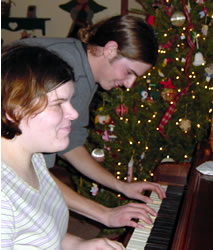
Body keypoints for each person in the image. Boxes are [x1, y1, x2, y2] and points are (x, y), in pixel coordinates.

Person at [17, 15, 166, 229]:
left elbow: (71, 143)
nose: (129, 84)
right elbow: (34, 177)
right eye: (129, 72)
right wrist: (105, 214)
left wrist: (121, 186)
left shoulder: (81, 63)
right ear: (111, 50)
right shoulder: (65, 69)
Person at [1, 44, 125, 250]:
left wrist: (78, 244)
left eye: (70, 101)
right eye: (59, 103)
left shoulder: (34, 158)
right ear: (13, 110)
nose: (73, 114)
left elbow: (40, 235)